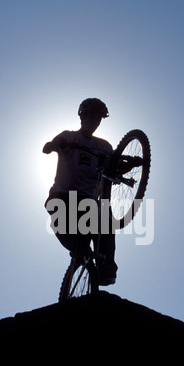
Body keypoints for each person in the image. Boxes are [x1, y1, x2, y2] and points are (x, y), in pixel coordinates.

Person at [43, 98, 118, 285]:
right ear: (81, 117)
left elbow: (115, 167)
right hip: (62, 197)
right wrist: (54, 144)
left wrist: (131, 163)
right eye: (91, 116)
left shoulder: (105, 147)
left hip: (88, 202)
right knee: (69, 236)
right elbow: (51, 145)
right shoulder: (69, 137)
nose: (94, 121)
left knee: (105, 220)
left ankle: (106, 266)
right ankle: (80, 252)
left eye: (98, 118)